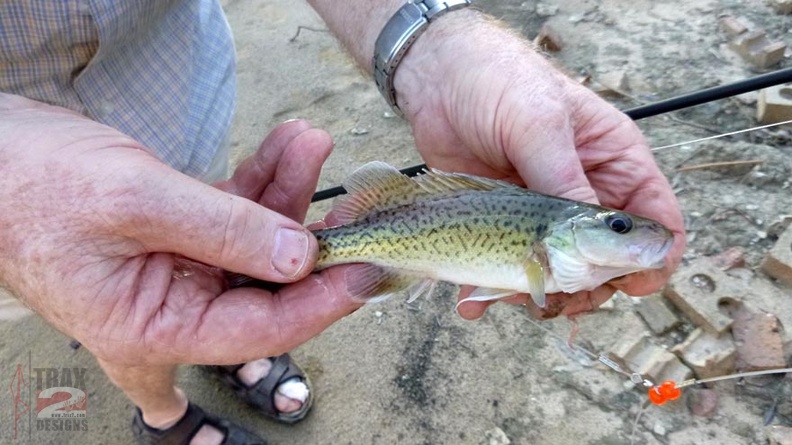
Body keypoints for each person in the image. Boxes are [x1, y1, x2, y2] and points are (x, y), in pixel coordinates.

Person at [0, 1, 685, 444]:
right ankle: (164, 415)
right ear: (568, 226)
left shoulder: (553, 244)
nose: (632, 232)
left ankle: (239, 342)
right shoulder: (550, 237)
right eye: (615, 225)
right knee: (107, 315)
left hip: (176, 95)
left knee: (194, 260)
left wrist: (430, 42)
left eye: (616, 224)